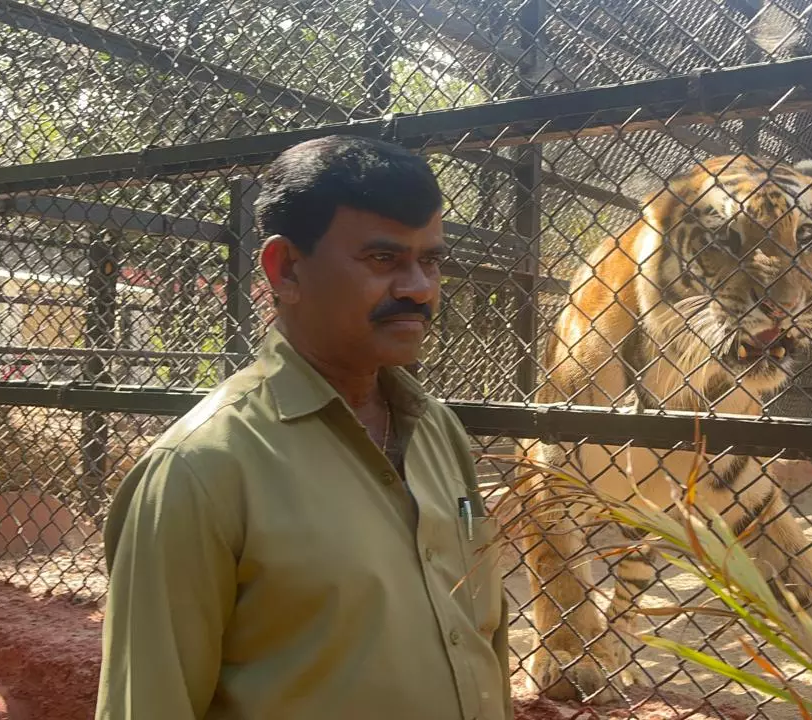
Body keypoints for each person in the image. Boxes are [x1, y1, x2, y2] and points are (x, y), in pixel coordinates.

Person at [94, 134, 513, 720]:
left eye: (431, 260)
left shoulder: (439, 431)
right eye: (383, 259)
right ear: (285, 268)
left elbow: (482, 643)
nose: (419, 288)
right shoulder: (202, 469)